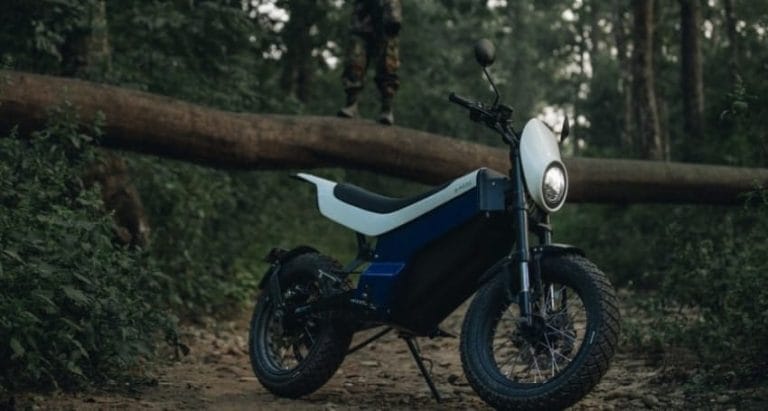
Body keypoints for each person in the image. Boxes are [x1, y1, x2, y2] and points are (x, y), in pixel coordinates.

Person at [337, 0, 401, 125]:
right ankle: (352, 104)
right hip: (363, 17)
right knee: (355, 60)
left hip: (388, 16)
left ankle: (386, 108)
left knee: (388, 64)